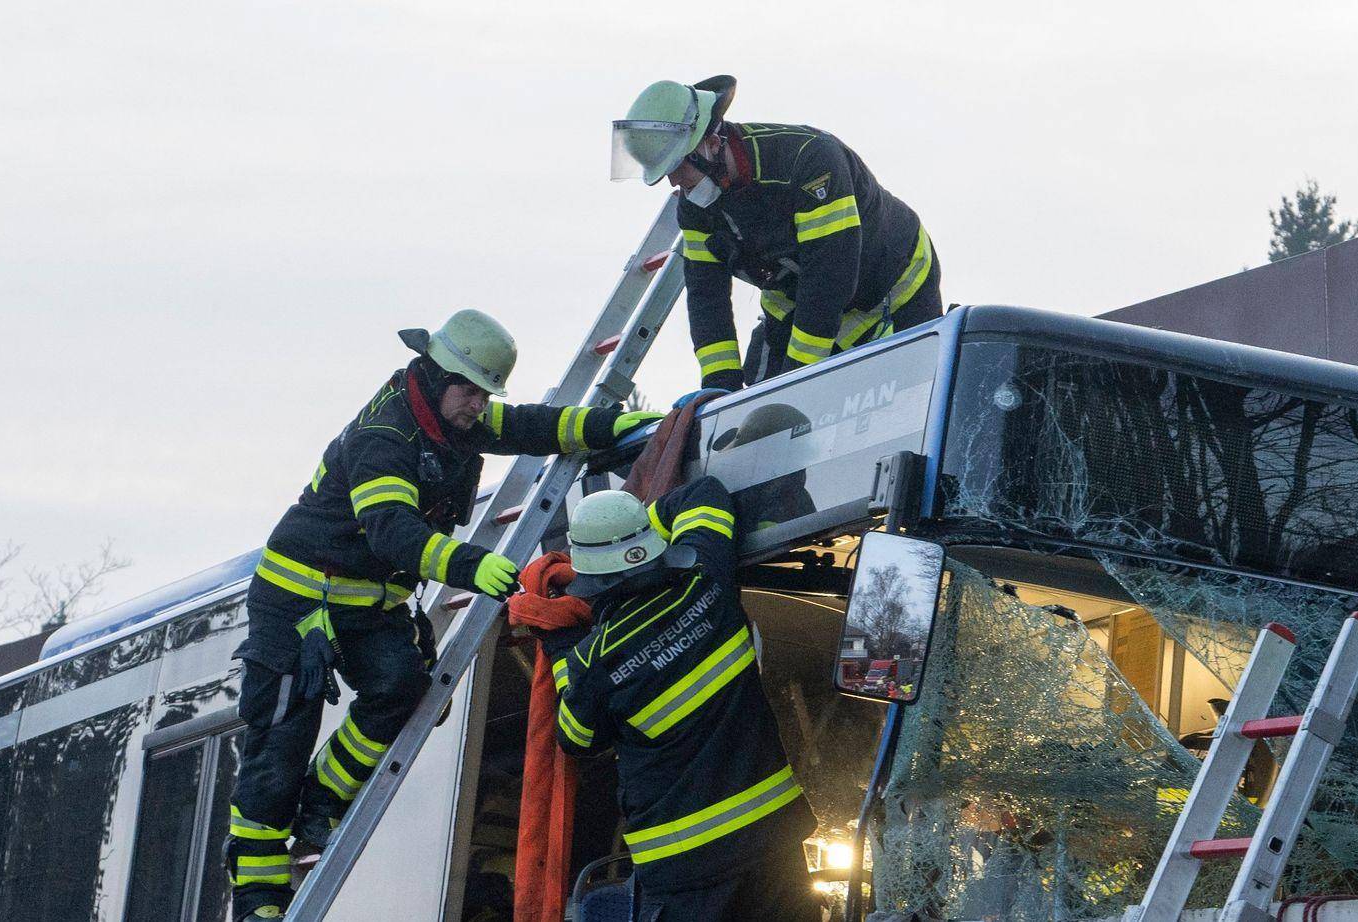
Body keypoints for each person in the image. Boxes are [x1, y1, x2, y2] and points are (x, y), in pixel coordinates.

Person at [225, 309, 660, 921]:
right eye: (470, 391)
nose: (479, 406)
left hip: (369, 603)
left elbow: (532, 425)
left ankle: (321, 800)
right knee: (278, 755)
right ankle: (259, 902)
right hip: (299, 604)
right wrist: (470, 566)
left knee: (402, 687)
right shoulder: (384, 436)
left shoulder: (455, 418)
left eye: (485, 394)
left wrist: (611, 425)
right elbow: (391, 531)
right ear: (434, 376)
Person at [539, 479, 818, 920]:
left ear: (591, 581)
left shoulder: (594, 661)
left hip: (685, 868)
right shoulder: (708, 582)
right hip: (772, 841)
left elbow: (576, 738)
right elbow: (704, 492)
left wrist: (558, 646)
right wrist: (639, 533)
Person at [611, 76, 942, 391]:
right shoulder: (695, 208)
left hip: (894, 285)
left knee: (912, 393)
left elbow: (829, 279)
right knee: (758, 405)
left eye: (677, 166)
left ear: (711, 144)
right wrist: (718, 386)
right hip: (797, 300)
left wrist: (797, 379)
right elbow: (706, 297)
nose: (673, 181)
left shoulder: (808, 161)